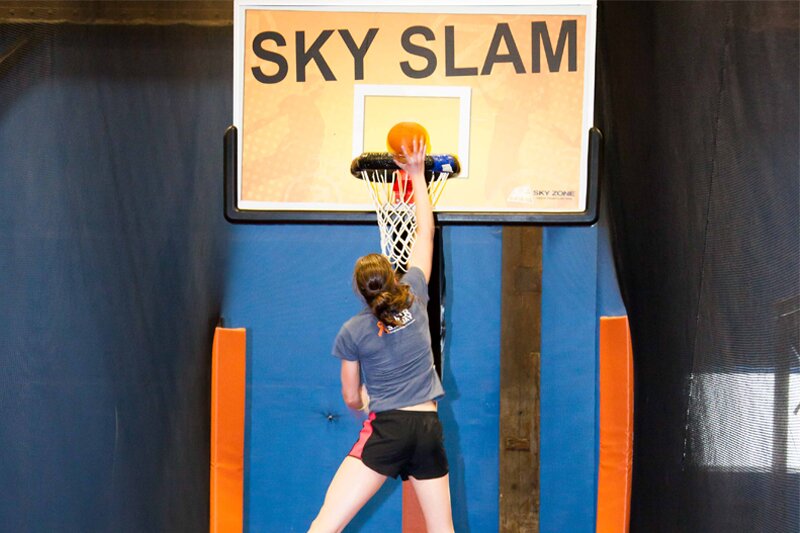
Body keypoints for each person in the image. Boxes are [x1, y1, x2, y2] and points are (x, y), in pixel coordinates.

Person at [308, 139, 454, 533]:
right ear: (393, 277)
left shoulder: (352, 331)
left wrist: (372, 400)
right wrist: (418, 175)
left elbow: (351, 397)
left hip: (388, 428)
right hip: (427, 429)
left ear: (360, 291)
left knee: (327, 523)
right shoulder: (416, 294)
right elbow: (425, 234)